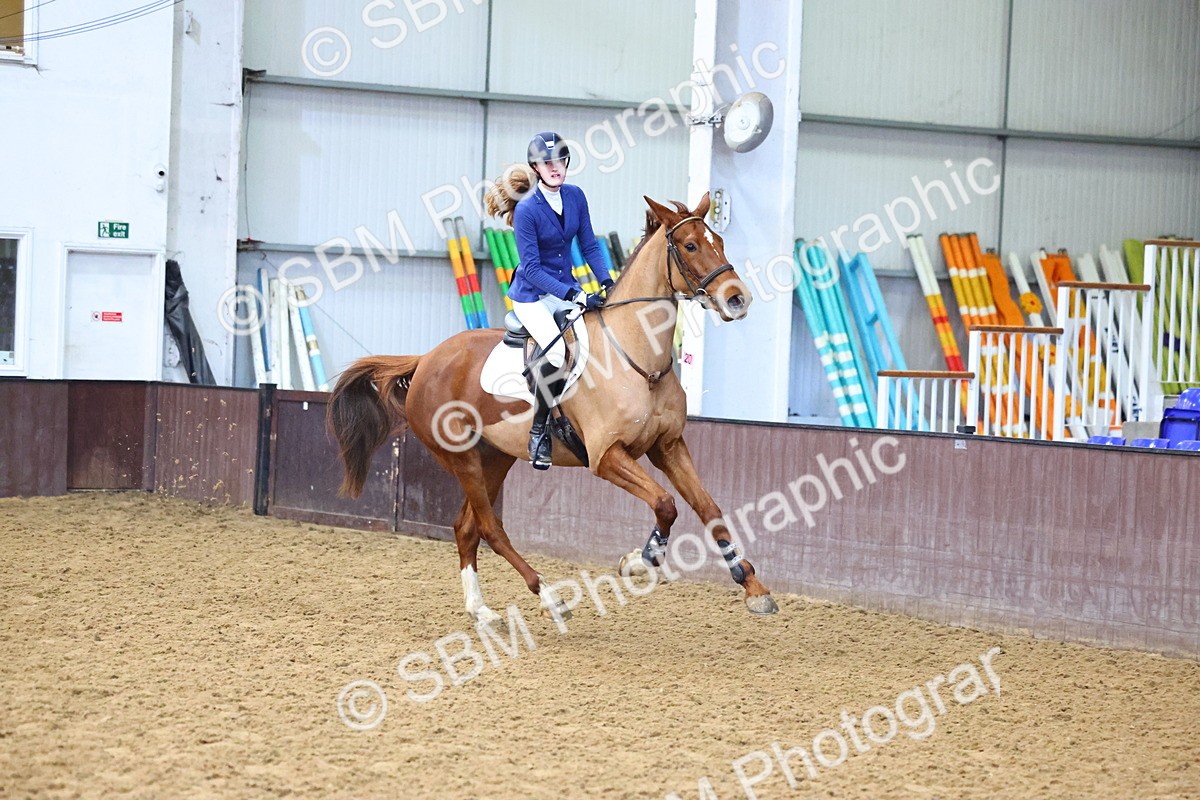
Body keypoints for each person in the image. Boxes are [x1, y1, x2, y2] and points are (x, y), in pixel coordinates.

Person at [484, 132, 614, 469]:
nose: (555, 168)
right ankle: (538, 432)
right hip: (532, 297)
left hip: (565, 289)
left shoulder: (575, 196)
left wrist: (607, 281)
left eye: (560, 161)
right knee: (556, 353)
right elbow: (531, 269)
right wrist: (575, 294)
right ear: (536, 168)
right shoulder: (527, 210)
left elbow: (589, 245)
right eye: (547, 163)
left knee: (594, 341)